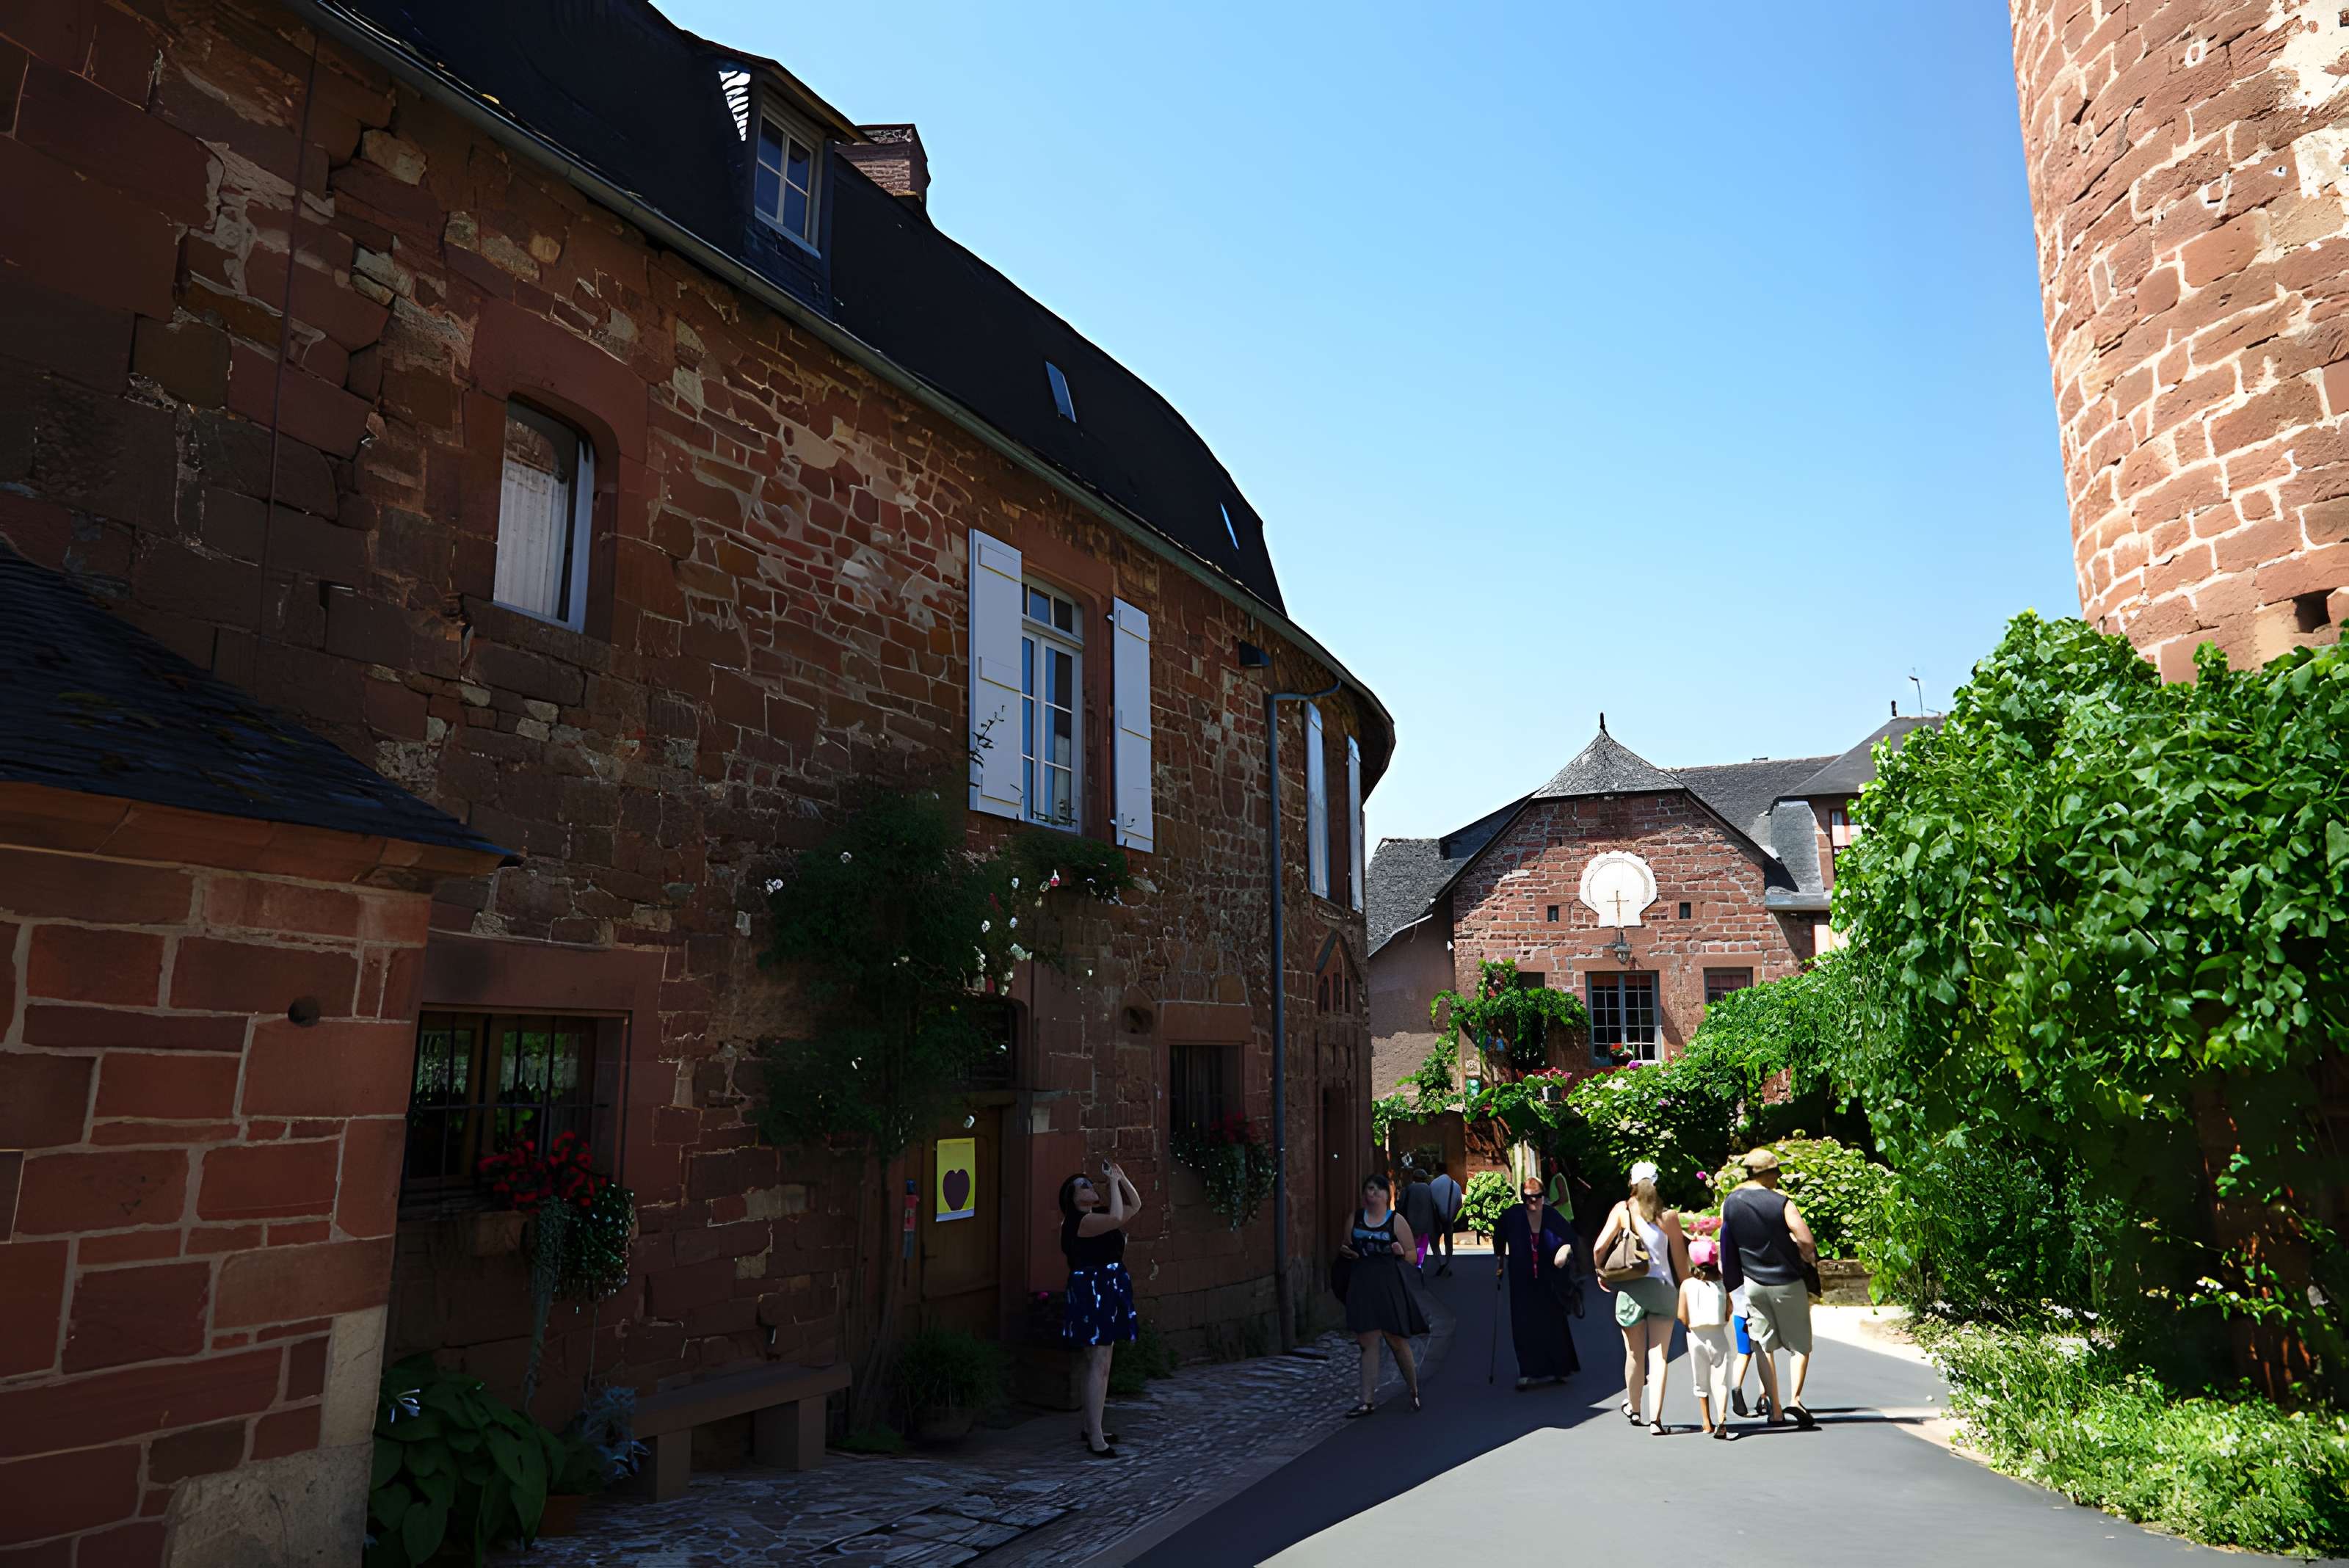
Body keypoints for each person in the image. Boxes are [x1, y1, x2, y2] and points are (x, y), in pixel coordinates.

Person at [1718, 1147, 1820, 1430]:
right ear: (1768, 1173)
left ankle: (1774, 1410)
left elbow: (1727, 1244)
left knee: (1764, 1346)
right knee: (1800, 1345)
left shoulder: (1730, 1203)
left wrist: (1731, 1286)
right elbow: (1806, 1239)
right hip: (1786, 1280)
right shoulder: (1781, 1202)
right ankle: (1795, 1400)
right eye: (1777, 1171)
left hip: (1752, 1284)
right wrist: (1804, 1255)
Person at [1591, 1159, 1691, 1435]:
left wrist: (1601, 1273)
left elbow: (1599, 1247)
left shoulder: (1622, 1210)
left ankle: (1635, 1410)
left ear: (1632, 1184)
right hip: (1662, 1290)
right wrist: (1688, 1293)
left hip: (1631, 1289)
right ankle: (1657, 1420)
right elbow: (1681, 1267)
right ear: (1656, 1184)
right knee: (1659, 1357)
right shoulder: (1669, 1217)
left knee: (1634, 1354)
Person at [1059, 1162, 1142, 1456]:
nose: (1090, 1186)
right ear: (1072, 1198)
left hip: (1109, 1286)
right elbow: (1119, 1214)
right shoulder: (1079, 1222)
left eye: (1089, 1183)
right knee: (1099, 1360)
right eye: (1082, 1185)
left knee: (1099, 1360)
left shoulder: (1100, 1218)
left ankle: (1091, 1425)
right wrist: (1114, 1184)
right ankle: (1094, 1435)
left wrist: (1121, 1178)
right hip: (1091, 1290)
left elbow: (1135, 1205)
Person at [1337, 1174, 1427, 1417]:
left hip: (1389, 1284)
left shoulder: (1396, 1221)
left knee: (1396, 1340)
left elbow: (1412, 1256)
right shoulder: (1355, 1219)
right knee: (1367, 1342)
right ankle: (1366, 1401)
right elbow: (1345, 1245)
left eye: (1377, 1189)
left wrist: (1400, 1252)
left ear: (1388, 1195)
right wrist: (1348, 1252)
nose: (1372, 1193)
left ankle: (1414, 1390)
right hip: (1363, 1282)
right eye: (1368, 1189)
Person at [1492, 1175, 1581, 1389]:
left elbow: (1571, 1239)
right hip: (1521, 1279)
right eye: (1528, 1198)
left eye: (1538, 1197)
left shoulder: (1551, 1216)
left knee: (1553, 1323)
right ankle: (1528, 1371)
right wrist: (1500, 1260)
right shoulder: (1512, 1216)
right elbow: (1499, 1236)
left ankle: (1559, 1368)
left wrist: (1565, 1252)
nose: (1533, 1202)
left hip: (1549, 1279)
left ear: (1544, 1197)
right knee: (1524, 1324)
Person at [1677, 1240, 1738, 1440]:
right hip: (1718, 1335)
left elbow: (1681, 1315)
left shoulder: (1687, 1285)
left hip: (1696, 1337)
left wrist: (1688, 1325)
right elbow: (1729, 1311)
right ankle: (1722, 1421)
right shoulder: (1721, 1285)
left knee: (1700, 1380)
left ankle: (1706, 1421)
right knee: (1720, 1380)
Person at [1400, 1167, 1440, 1279]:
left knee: (1411, 1244)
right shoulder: (1429, 1189)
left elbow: (1402, 1204)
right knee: (1423, 1245)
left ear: (1414, 1178)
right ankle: (1419, 1264)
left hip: (1410, 1221)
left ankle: (1411, 1265)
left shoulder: (1409, 1188)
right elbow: (1434, 1206)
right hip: (1426, 1222)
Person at [1427, 1162, 1464, 1276]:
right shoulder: (1456, 1186)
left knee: (1434, 1242)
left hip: (1437, 1220)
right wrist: (1451, 1217)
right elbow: (1459, 1204)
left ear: (1437, 1171)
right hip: (1449, 1220)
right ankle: (1448, 1264)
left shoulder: (1433, 1184)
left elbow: (1430, 1203)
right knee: (1449, 1243)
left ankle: (1441, 1262)